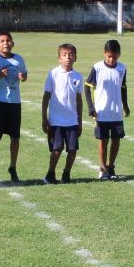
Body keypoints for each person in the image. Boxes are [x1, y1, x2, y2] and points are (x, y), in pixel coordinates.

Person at [0, 30, 27, 184]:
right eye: (2, 41)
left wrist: (23, 77)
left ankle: (13, 167)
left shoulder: (19, 59)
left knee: (15, 138)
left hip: (15, 103)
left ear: (12, 43)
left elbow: (24, 75)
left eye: (8, 40)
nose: (6, 43)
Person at [87, 39, 130, 181]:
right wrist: (91, 107)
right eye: (109, 56)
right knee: (103, 140)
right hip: (102, 112)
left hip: (116, 112)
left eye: (115, 57)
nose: (111, 59)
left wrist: (125, 105)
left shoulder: (122, 68)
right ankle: (103, 168)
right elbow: (87, 86)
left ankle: (111, 166)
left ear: (119, 55)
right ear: (104, 54)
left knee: (116, 140)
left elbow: (123, 88)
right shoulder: (97, 67)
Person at [42, 42, 85, 184]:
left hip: (72, 120)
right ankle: (50, 173)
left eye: (71, 55)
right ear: (59, 58)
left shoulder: (77, 77)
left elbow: (79, 100)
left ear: (75, 57)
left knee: (72, 150)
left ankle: (66, 173)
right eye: (64, 55)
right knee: (56, 149)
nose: (68, 58)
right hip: (56, 120)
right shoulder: (53, 74)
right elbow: (46, 97)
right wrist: (44, 118)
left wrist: (79, 121)